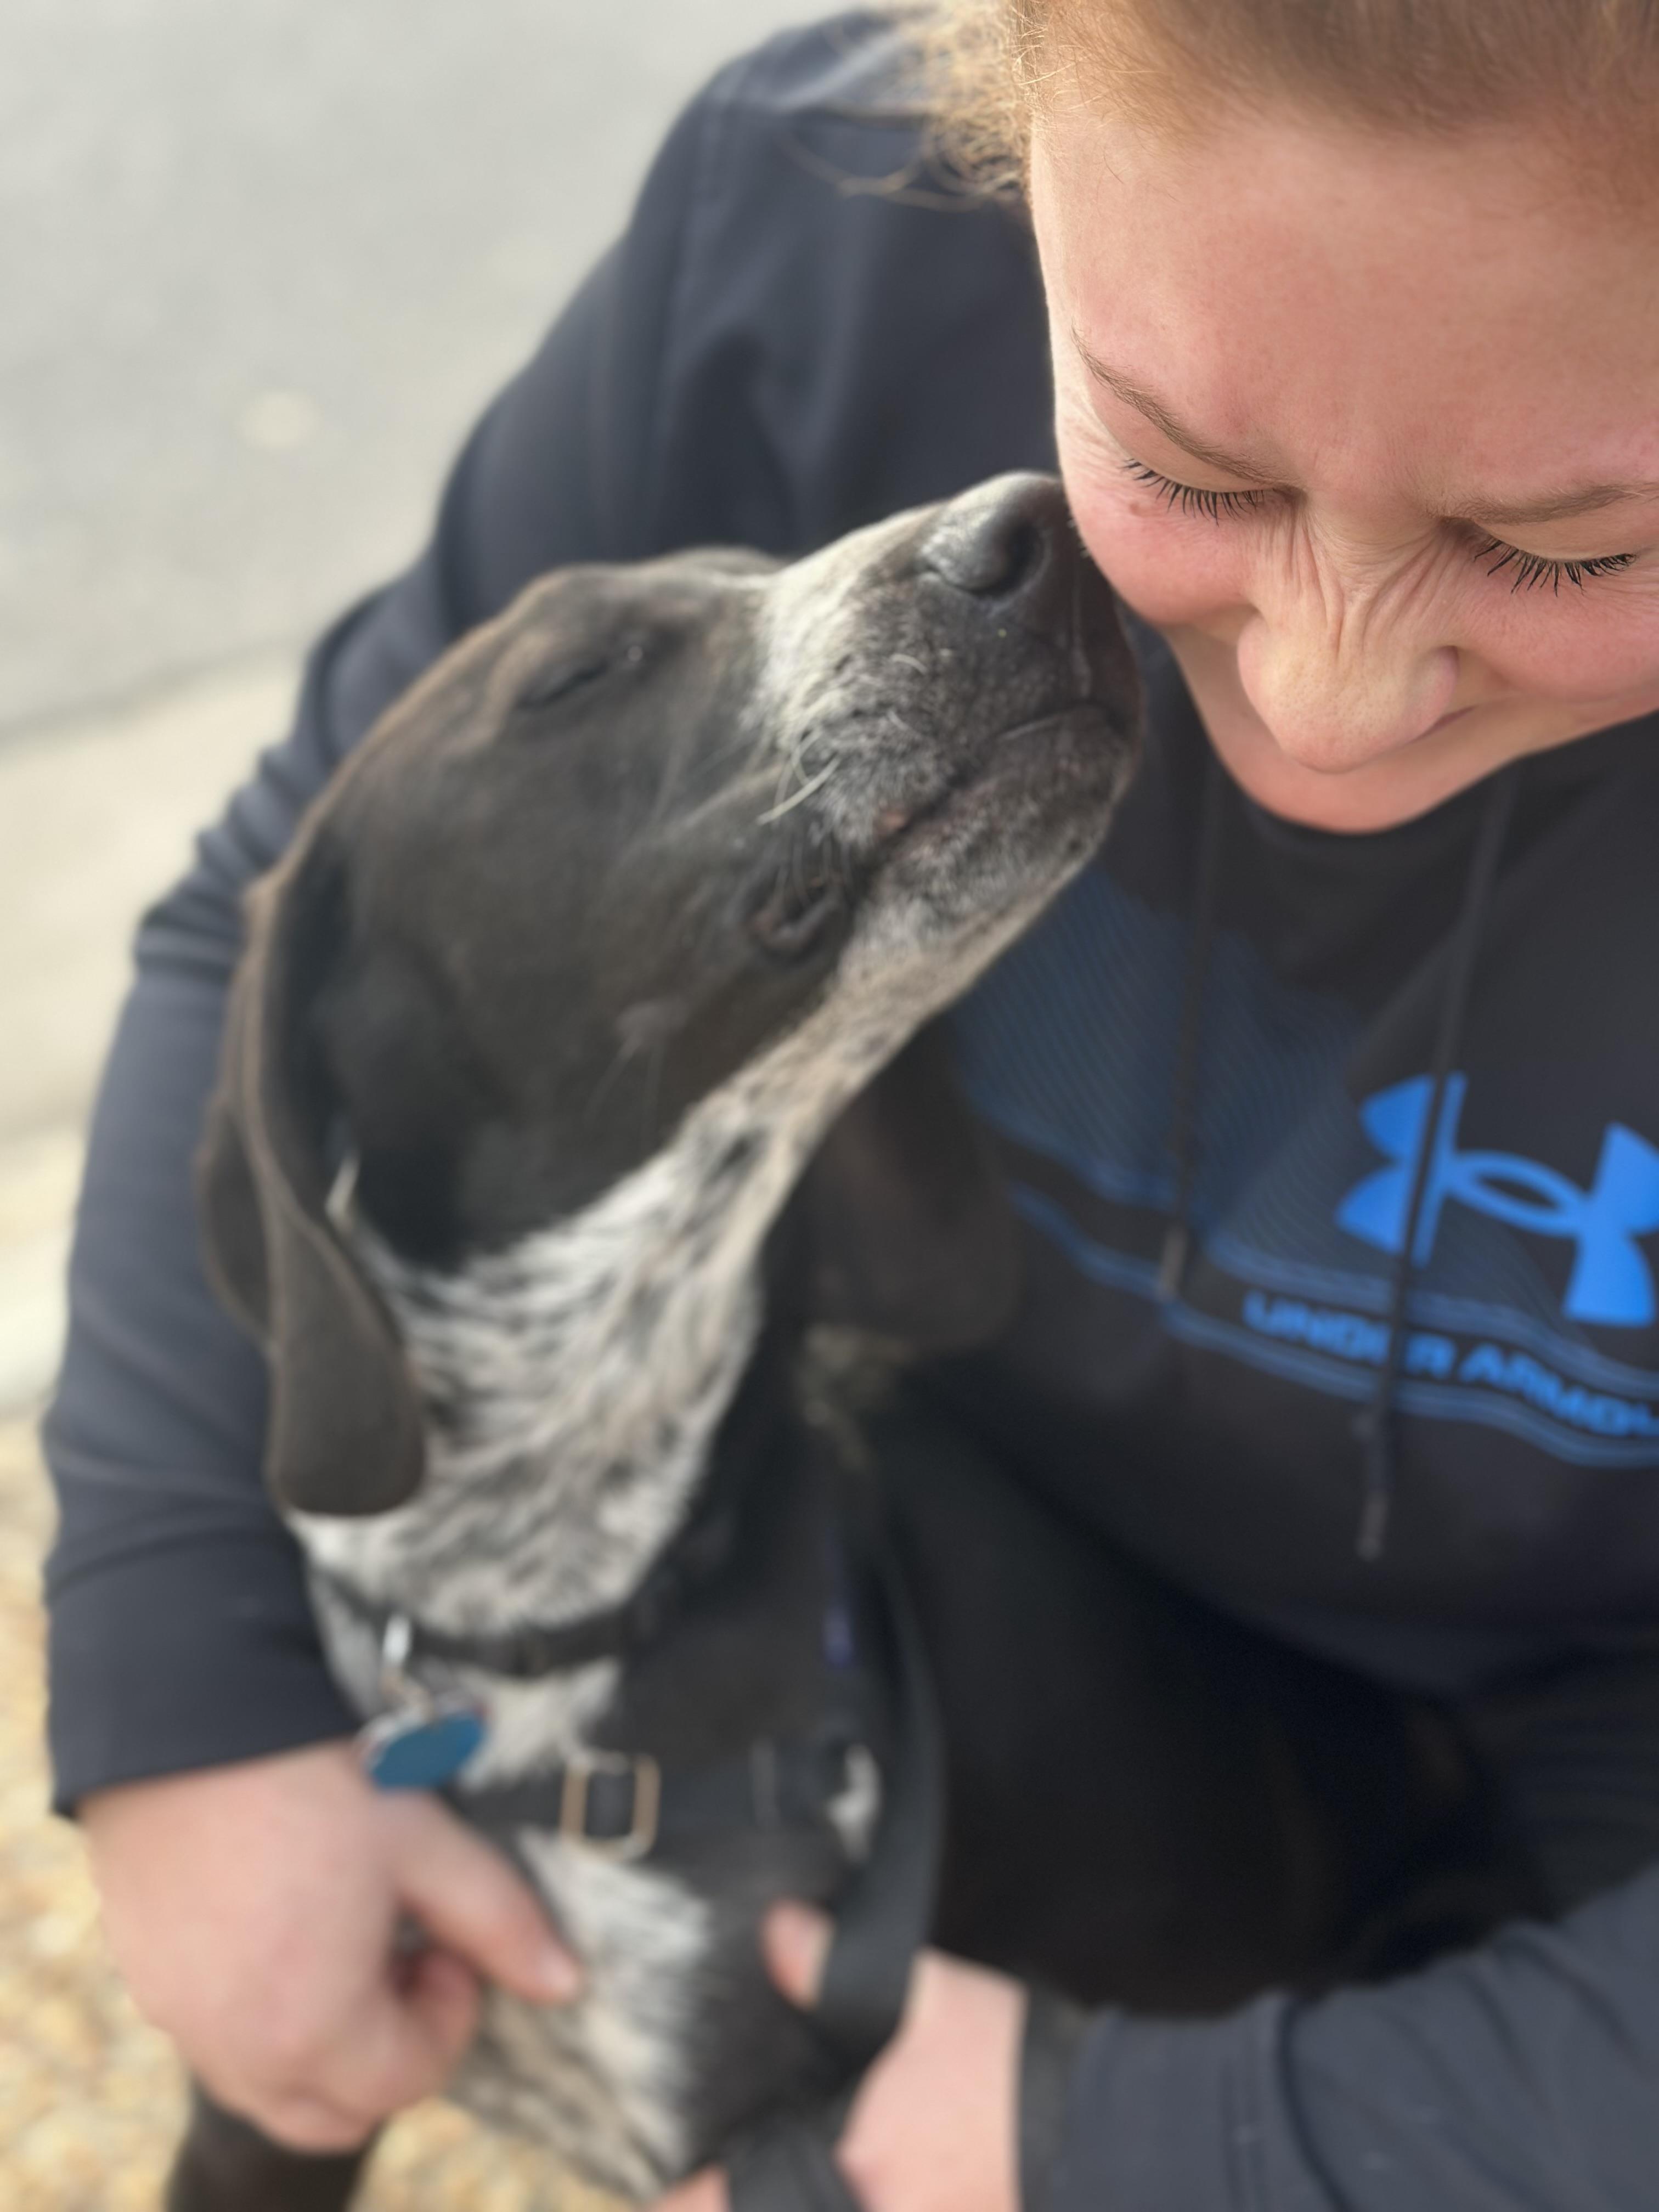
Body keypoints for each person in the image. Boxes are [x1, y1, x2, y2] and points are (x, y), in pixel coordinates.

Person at [52, 0, 1659, 2203]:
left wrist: (1162, 2143)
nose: (1326, 698)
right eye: (1191, 471)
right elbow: (297, 895)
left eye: (1568, 548)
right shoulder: (821, 234)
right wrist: (189, 1684)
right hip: (944, 1534)